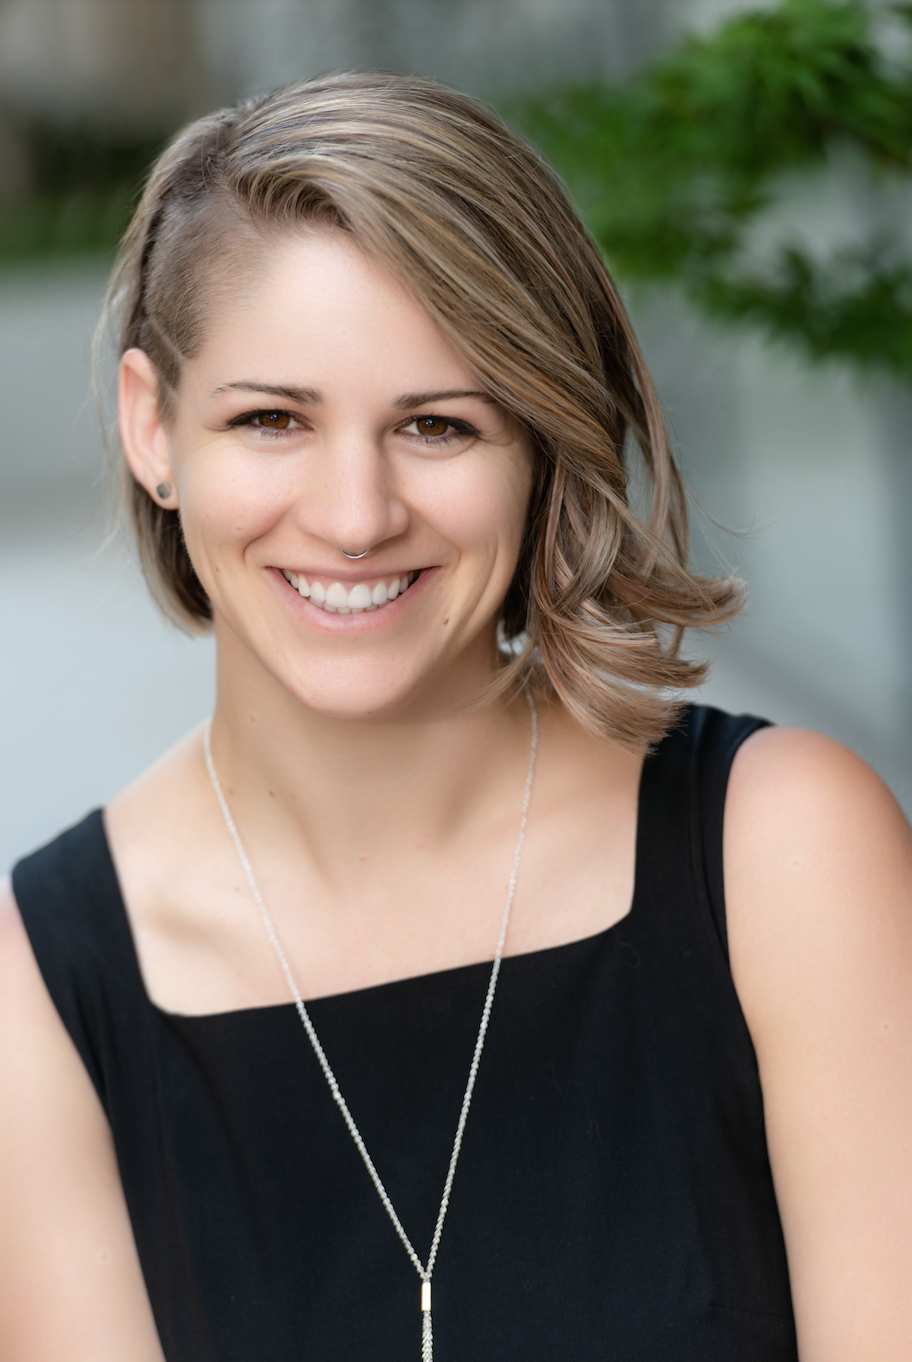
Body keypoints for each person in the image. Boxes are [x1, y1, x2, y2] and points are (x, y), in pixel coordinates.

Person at [1, 71, 910, 1362]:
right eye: (271, 418)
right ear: (154, 428)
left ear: (540, 441)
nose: (357, 513)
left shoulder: (783, 852)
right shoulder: (37, 990)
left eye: (438, 424)